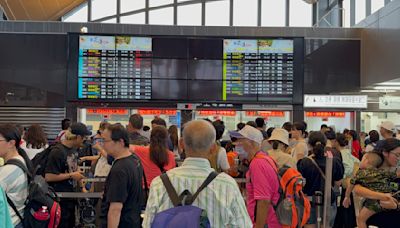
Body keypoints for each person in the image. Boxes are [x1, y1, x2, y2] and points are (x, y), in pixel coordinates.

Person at [143, 120, 252, 227]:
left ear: (181, 144)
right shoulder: (227, 185)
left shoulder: (159, 183)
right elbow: (243, 225)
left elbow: (148, 224)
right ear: (213, 148)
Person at [230, 125, 281, 227]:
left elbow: (263, 200)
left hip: (266, 223)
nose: (236, 144)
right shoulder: (265, 159)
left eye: (240, 141)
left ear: (250, 142)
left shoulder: (257, 163)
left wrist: (258, 226)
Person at [45, 122, 89, 228]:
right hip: (59, 200)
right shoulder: (57, 152)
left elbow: (75, 167)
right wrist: (71, 175)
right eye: (84, 138)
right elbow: (49, 176)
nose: (85, 141)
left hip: (71, 199)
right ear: (78, 137)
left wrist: (82, 187)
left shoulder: (74, 150)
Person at [297, 131, 344, 228]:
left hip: (309, 202)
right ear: (325, 142)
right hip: (329, 202)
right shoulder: (334, 161)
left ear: (309, 144)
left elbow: (301, 183)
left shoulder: (304, 162)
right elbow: (338, 183)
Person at [100, 124, 143, 228]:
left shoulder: (119, 170)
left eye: (105, 141)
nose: (103, 145)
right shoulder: (135, 160)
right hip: (133, 220)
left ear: (120, 142)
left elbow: (115, 210)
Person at [353, 138, 400, 228]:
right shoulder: (372, 168)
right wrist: (382, 196)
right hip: (373, 222)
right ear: (385, 153)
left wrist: (396, 206)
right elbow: (357, 189)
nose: (398, 159)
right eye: (397, 155)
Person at [344, 151, 397, 228]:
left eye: (361, 159)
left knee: (361, 220)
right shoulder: (381, 172)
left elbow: (351, 184)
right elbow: (394, 175)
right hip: (388, 200)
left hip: (373, 202)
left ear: (366, 160)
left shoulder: (361, 173)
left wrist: (347, 196)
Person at [0, 124, 33, 228]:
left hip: (9, 222)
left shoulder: (9, 170)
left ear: (11, 143)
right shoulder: (21, 159)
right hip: (17, 219)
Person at [333, 133, 359, 228]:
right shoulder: (348, 152)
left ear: (336, 142)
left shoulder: (342, 154)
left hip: (344, 185)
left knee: (343, 210)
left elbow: (348, 167)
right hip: (349, 186)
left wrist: (343, 176)